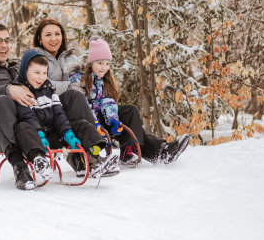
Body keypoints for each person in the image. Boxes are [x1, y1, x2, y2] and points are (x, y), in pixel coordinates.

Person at [0, 23, 117, 191]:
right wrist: (8, 90)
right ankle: (20, 167)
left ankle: (86, 157)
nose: (4, 45)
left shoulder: (17, 68)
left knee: (74, 97)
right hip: (0, 132)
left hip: (37, 126)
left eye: (7, 40)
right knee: (2, 101)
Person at [31, 20, 190, 165]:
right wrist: (69, 86)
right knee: (84, 105)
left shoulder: (70, 58)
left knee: (128, 112)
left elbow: (87, 79)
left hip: (88, 106)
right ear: (39, 38)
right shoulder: (35, 59)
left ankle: (140, 151)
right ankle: (157, 151)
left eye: (57, 34)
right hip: (63, 112)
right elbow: (38, 83)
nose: (54, 39)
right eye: (48, 35)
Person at [12, 50, 118, 187]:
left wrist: (67, 133)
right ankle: (39, 161)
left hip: (53, 135)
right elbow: (28, 116)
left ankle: (96, 159)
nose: (41, 77)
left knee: (81, 125)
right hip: (35, 138)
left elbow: (58, 114)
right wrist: (40, 135)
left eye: (44, 73)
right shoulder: (20, 91)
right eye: (36, 73)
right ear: (24, 71)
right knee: (23, 127)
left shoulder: (48, 89)